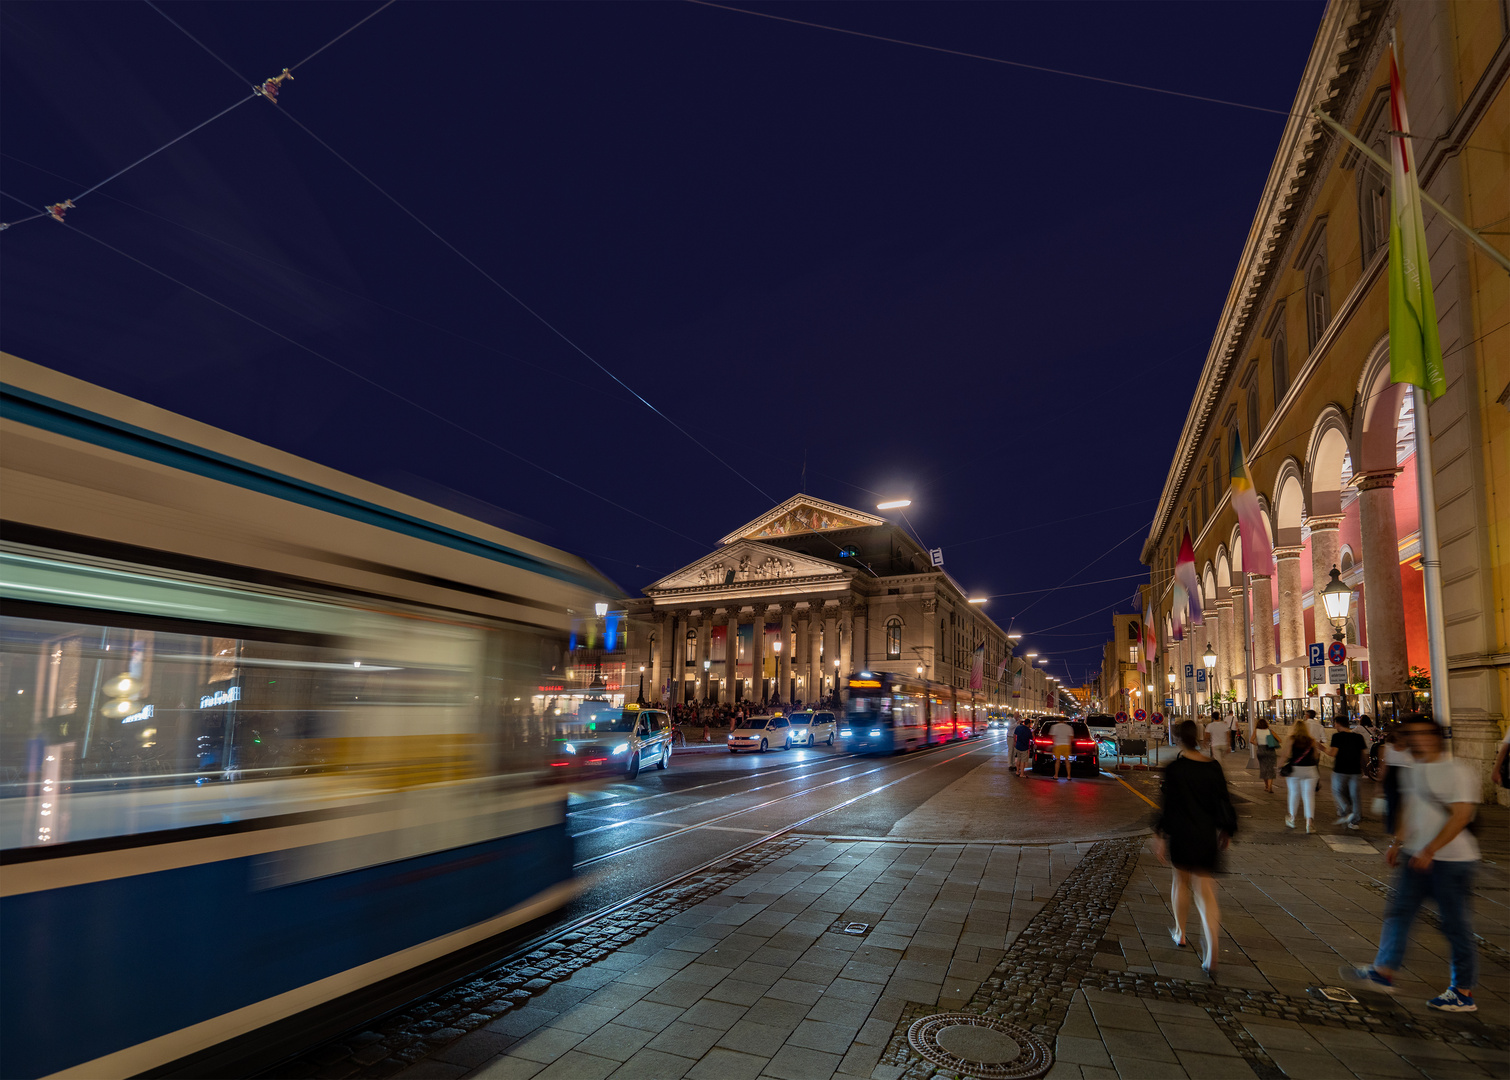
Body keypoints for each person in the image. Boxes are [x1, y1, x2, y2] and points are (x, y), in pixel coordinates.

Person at [1345, 715, 1480, 1012]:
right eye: (1410, 735)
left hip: (1452, 861)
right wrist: (1398, 843)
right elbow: (1409, 805)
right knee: (1399, 913)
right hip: (1415, 855)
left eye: (1421, 734)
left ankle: (1462, 991)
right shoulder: (1415, 767)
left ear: (1435, 737)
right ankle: (1384, 972)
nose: (1415, 740)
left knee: (1455, 926)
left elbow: (1461, 816)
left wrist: (1431, 849)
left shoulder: (1457, 771)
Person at [1153, 719, 1237, 980]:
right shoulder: (1213, 767)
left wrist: (1160, 835)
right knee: (1206, 891)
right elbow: (1224, 800)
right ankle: (1212, 948)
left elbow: (1167, 805)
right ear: (1200, 738)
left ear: (1178, 740)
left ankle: (1180, 932)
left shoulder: (1175, 769)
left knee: (1180, 882)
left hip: (1181, 833)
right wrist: (1227, 830)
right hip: (1205, 834)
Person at [1325, 715, 1367, 829]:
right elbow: (1363, 755)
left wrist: (1321, 748)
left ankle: (1346, 811)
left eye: (1335, 723)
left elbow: (1333, 753)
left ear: (1338, 724)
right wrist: (1365, 769)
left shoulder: (1337, 736)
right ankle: (1354, 822)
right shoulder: (1358, 737)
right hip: (1356, 770)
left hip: (1340, 770)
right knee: (1355, 796)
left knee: (1337, 792)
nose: (1334, 726)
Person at [1283, 718, 1321, 833]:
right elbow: (1315, 755)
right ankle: (1309, 823)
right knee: (1309, 796)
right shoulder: (1311, 740)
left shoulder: (1291, 739)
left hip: (1295, 770)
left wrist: (1280, 767)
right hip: (1310, 770)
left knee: (1294, 794)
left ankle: (1292, 819)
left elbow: (1285, 755)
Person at [1381, 727, 1411, 834]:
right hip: (1391, 778)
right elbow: (1384, 765)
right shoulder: (1389, 747)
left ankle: (1405, 828)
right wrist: (1380, 783)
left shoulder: (1411, 749)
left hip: (1407, 778)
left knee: (1406, 804)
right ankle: (1393, 829)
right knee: (1392, 804)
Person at [1254, 715, 1279, 793]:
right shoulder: (1270, 731)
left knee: (1263, 768)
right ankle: (1270, 786)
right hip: (1270, 750)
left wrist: (1257, 743)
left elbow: (1251, 740)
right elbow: (1279, 739)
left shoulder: (1256, 731)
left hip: (1261, 750)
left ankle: (1266, 786)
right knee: (1270, 769)